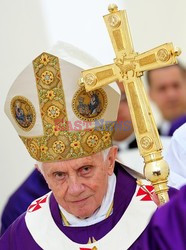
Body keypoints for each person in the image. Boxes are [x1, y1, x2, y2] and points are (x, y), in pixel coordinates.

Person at [0, 47, 178, 249]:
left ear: (110, 160)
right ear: (42, 174)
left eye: (85, 169)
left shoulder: (164, 211)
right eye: (59, 175)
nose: (75, 189)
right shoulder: (22, 237)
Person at [147, 63, 186, 136]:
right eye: (162, 88)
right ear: (150, 95)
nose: (171, 95)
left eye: (176, 85)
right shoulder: (149, 142)